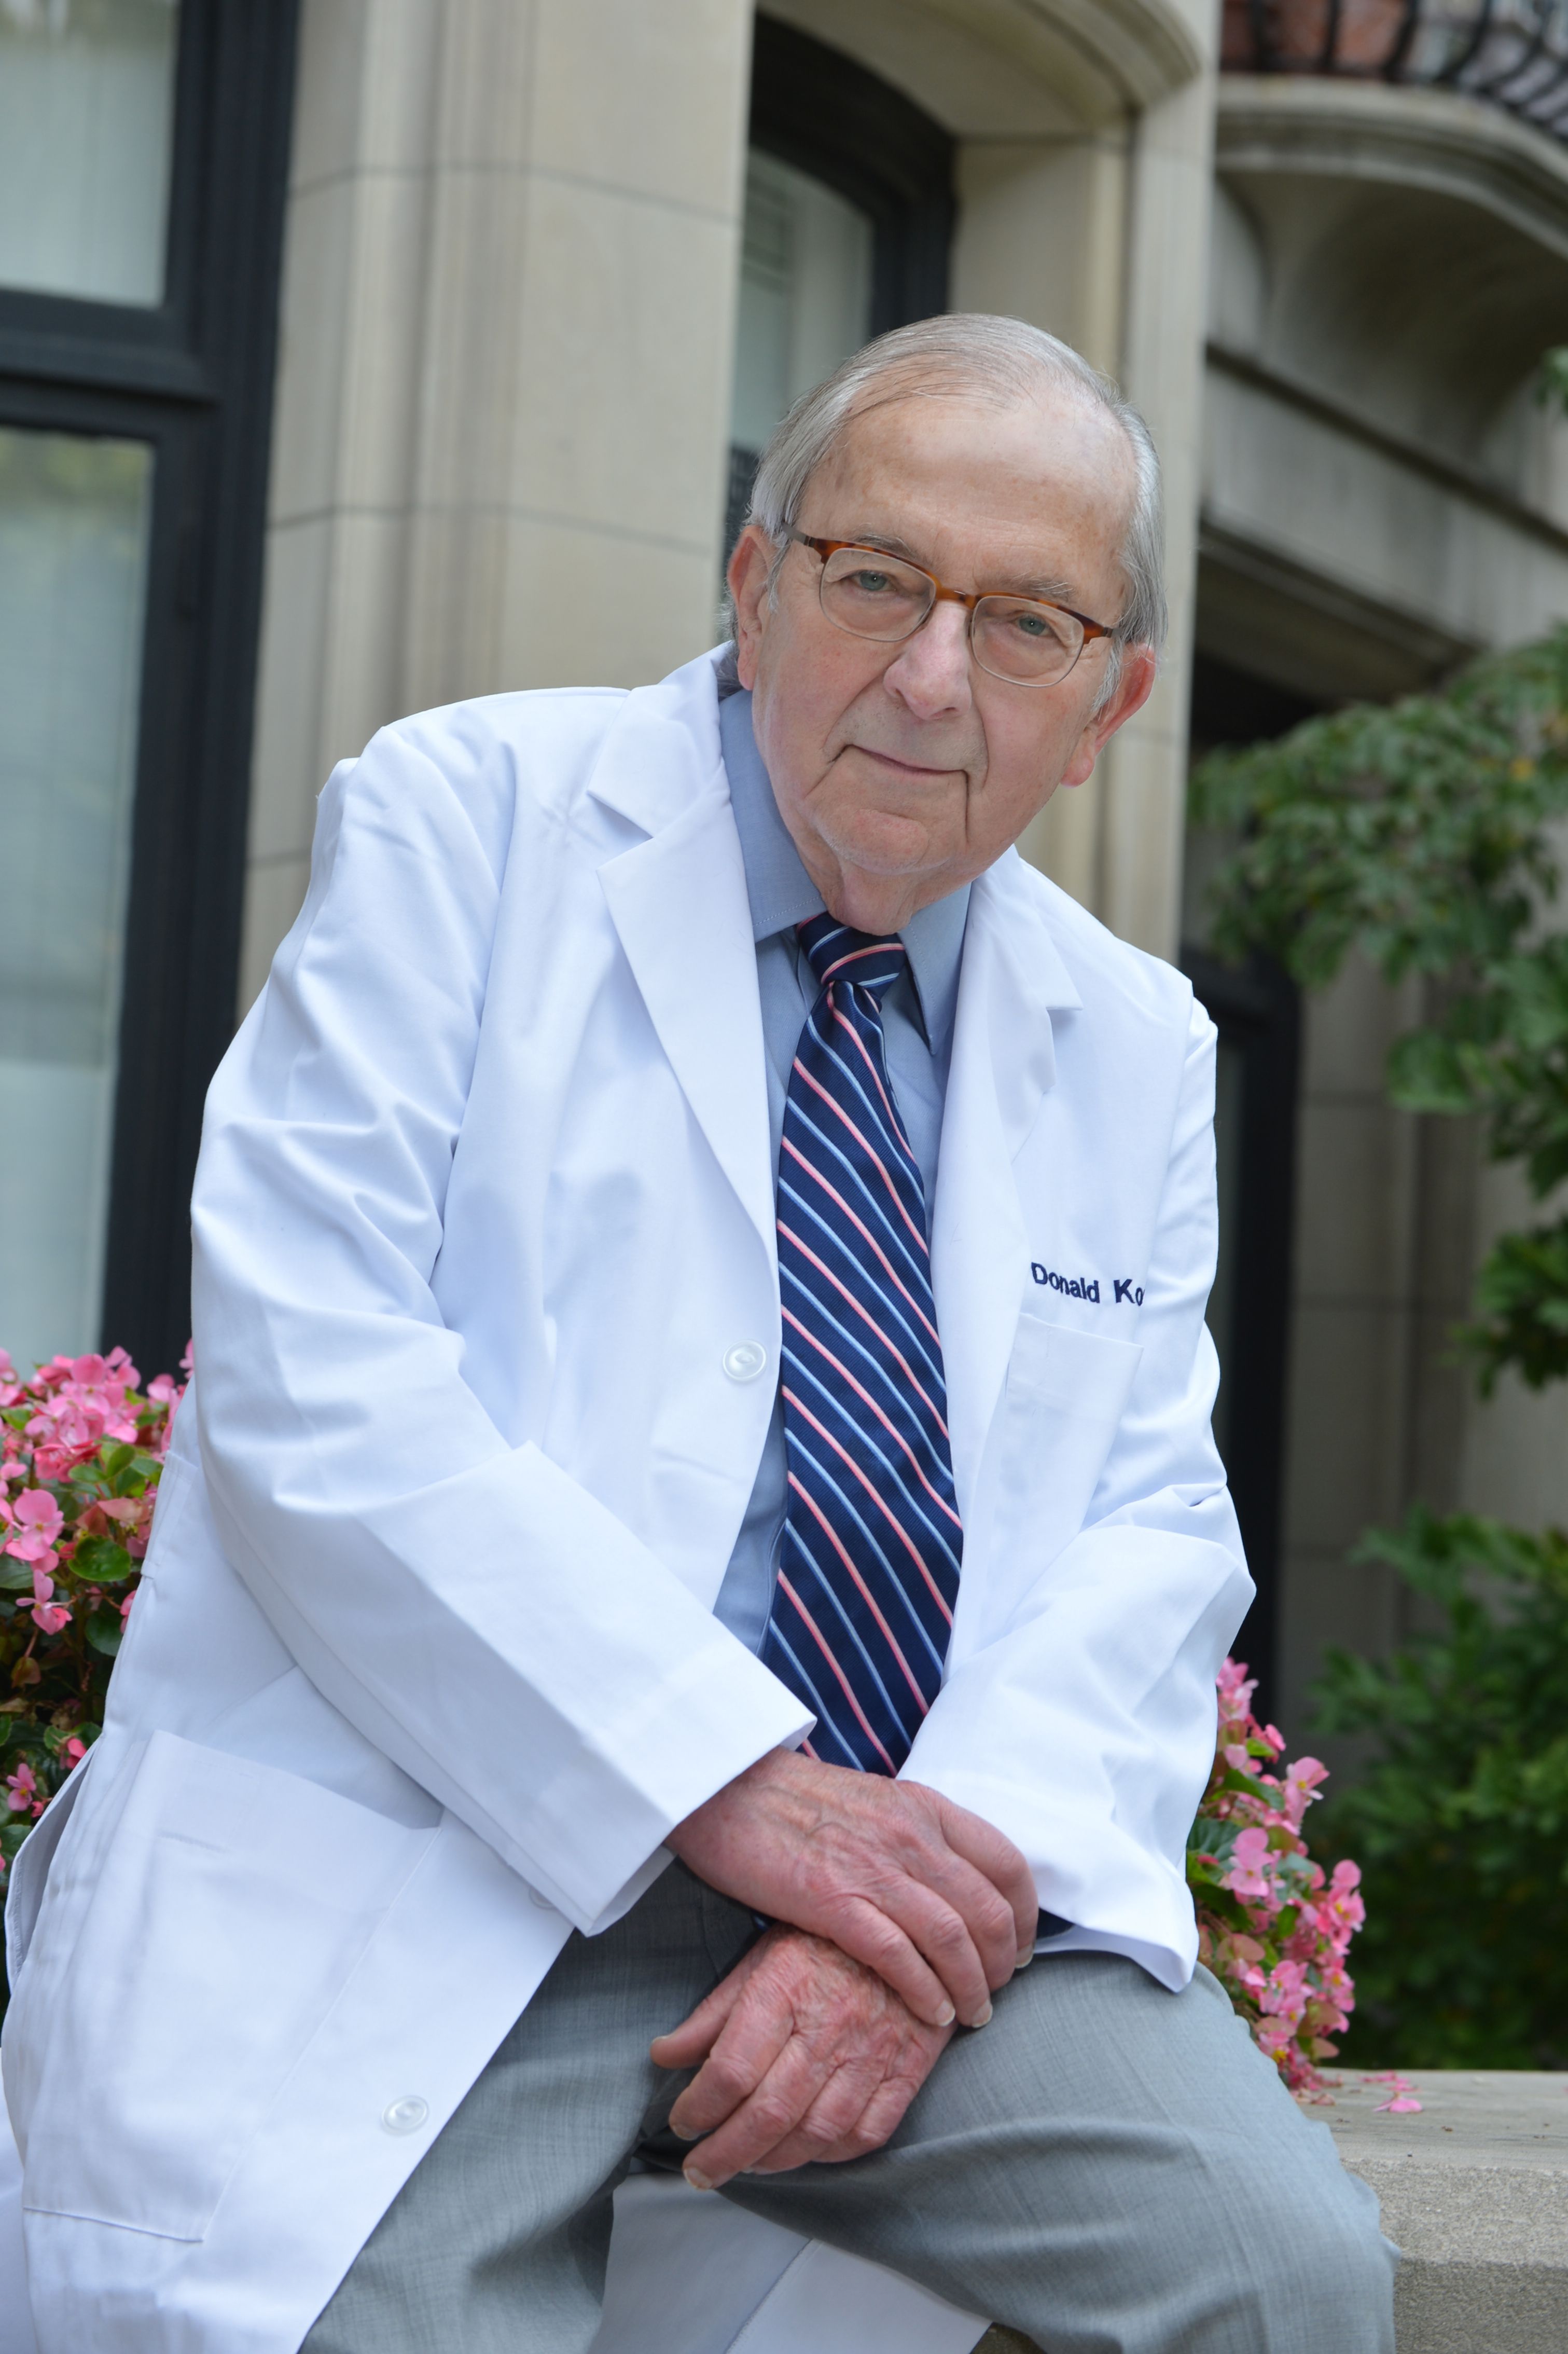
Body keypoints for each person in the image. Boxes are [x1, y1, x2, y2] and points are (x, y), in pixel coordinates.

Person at [2, 316, 1396, 2354]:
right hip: (454, 1829)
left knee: (1281, 2278)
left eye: (1027, 624)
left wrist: (903, 1907)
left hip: (914, 1879)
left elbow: (1145, 1526)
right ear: (754, 589)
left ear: (1109, 703)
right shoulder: (465, 819)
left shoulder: (1133, 1037)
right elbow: (317, 1371)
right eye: (878, 580)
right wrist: (726, 1781)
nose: (935, 678)